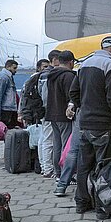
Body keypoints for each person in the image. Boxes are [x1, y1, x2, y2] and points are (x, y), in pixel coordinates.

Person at [69, 36, 111, 216]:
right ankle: (102, 207)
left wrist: (84, 108)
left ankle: (81, 202)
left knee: (84, 165)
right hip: (104, 125)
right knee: (104, 166)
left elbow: (73, 92)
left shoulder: (84, 64)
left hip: (85, 123)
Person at [46, 50, 77, 182]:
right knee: (66, 146)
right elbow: (71, 96)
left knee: (57, 145)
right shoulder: (68, 76)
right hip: (64, 116)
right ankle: (66, 175)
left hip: (52, 114)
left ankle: (58, 173)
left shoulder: (51, 75)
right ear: (71, 62)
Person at [38, 50, 61, 178]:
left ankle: (44, 166)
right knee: (48, 140)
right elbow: (46, 97)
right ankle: (48, 169)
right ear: (54, 59)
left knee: (44, 139)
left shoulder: (43, 74)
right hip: (49, 111)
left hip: (44, 110)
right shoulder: (49, 74)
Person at [18, 58, 50, 126]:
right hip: (32, 113)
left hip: (40, 113)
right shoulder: (32, 80)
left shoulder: (46, 78)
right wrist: (21, 113)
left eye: (48, 66)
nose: (47, 68)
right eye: (45, 66)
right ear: (38, 68)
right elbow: (23, 97)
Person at [0, 59, 19, 129]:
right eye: (14, 68)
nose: (16, 70)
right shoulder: (3, 77)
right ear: (8, 67)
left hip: (9, 109)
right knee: (6, 132)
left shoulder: (8, 77)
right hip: (5, 110)